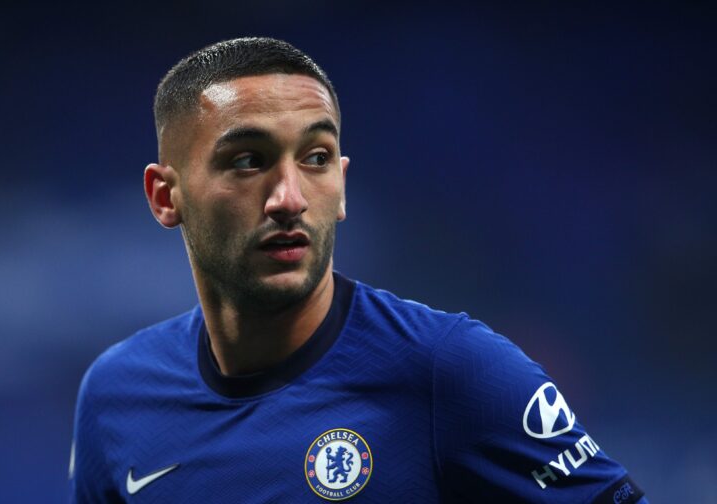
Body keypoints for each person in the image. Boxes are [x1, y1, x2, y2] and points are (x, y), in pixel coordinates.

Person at [69, 37, 647, 503]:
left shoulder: (454, 371)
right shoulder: (115, 395)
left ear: (341, 184)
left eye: (316, 158)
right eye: (248, 161)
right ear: (165, 196)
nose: (289, 197)